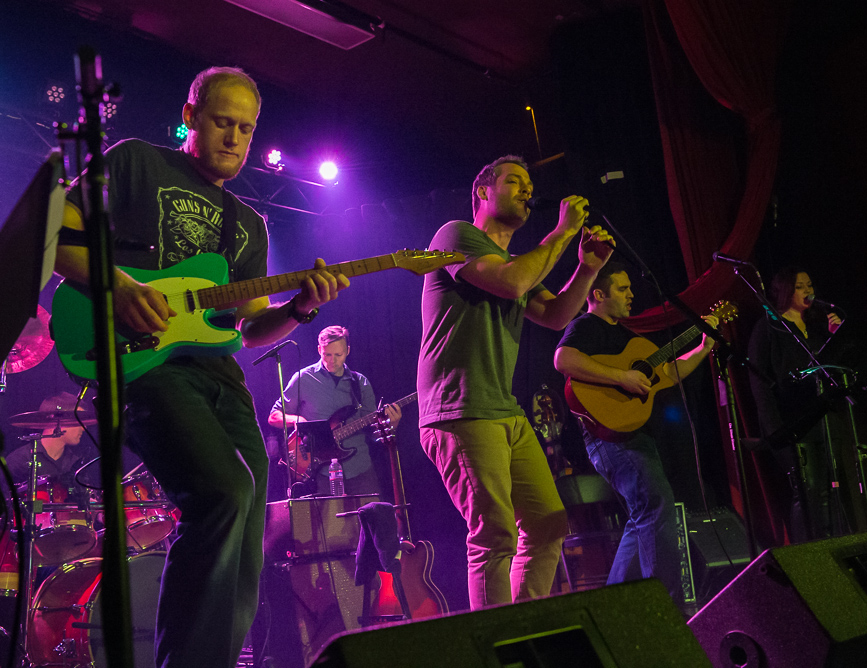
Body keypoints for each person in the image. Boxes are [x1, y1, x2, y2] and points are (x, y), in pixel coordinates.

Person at [54, 67, 348, 668]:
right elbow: (54, 233)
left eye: (246, 128)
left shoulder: (248, 224)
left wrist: (302, 308)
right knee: (222, 490)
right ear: (190, 114)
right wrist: (119, 285)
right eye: (223, 122)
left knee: (249, 520)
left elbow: (249, 327)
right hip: (145, 362)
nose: (236, 138)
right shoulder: (137, 162)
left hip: (219, 376)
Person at [416, 155, 615, 609]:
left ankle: (526, 628)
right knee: (495, 533)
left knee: (547, 523)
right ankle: (496, 644)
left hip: (503, 409)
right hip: (459, 411)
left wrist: (587, 268)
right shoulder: (454, 236)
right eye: (514, 181)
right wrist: (563, 232)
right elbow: (511, 282)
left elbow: (556, 314)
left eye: (529, 184)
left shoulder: (516, 261)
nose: (527, 190)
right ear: (483, 192)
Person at [553, 261, 718, 607]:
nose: (632, 295)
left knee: (644, 516)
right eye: (623, 289)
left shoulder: (630, 338)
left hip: (633, 437)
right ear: (598, 294)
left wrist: (702, 348)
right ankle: (665, 607)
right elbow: (563, 360)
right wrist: (620, 377)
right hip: (610, 438)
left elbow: (668, 374)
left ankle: (613, 604)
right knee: (658, 509)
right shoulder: (586, 325)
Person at [747, 266, 842, 544]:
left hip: (823, 418)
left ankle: (828, 549)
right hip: (792, 423)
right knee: (807, 490)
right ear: (786, 290)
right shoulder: (769, 326)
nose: (808, 291)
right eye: (800, 286)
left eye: (809, 284)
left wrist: (835, 335)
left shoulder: (816, 326)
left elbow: (833, 370)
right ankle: (807, 557)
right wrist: (776, 429)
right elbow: (759, 382)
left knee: (827, 491)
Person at [267, 325, 401, 498]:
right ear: (319, 350)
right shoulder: (303, 378)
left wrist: (390, 425)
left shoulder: (360, 383)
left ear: (348, 351)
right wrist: (298, 419)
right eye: (327, 354)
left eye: (339, 355)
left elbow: (374, 432)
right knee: (332, 524)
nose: (333, 360)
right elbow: (274, 416)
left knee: (373, 520)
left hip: (360, 468)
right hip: (321, 472)